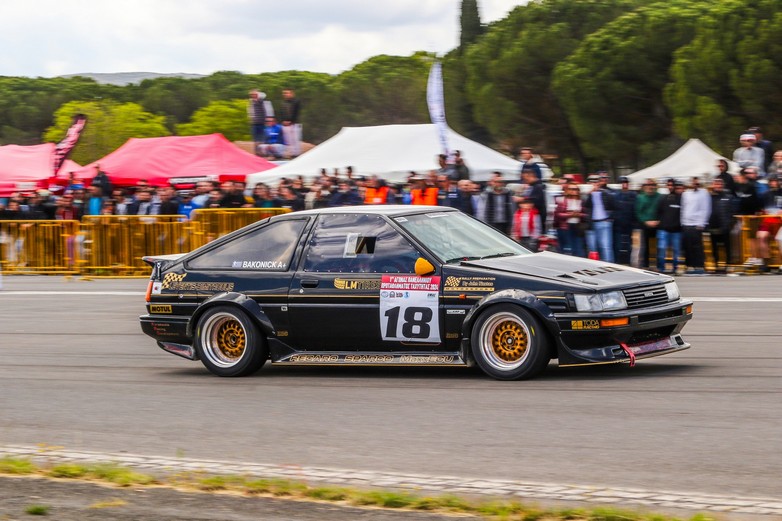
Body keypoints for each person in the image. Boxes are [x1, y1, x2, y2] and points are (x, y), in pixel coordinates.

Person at [680, 177, 711, 274]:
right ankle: (689, 266)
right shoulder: (685, 194)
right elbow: (683, 208)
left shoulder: (704, 193)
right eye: (693, 182)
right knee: (687, 247)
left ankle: (699, 266)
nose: (695, 184)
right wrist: (682, 222)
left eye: (696, 182)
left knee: (697, 247)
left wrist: (702, 222)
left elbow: (706, 208)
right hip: (686, 223)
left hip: (697, 224)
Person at [707, 177, 737, 272]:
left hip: (725, 226)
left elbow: (733, 211)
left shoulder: (728, 197)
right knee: (714, 247)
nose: (718, 186)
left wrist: (730, 223)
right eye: (716, 184)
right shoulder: (709, 197)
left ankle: (728, 264)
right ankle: (716, 265)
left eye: (720, 184)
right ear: (713, 185)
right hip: (713, 226)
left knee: (727, 246)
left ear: (723, 185)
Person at [583, 174, 615, 262]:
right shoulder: (587, 194)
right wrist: (590, 193)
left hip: (604, 222)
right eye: (592, 182)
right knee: (592, 248)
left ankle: (609, 265)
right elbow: (585, 205)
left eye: (596, 181)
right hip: (591, 224)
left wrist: (610, 219)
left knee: (606, 247)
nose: (594, 184)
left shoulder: (606, 193)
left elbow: (614, 206)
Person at [656, 180, 684, 274]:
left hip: (676, 230)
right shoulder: (663, 198)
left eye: (672, 185)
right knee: (662, 249)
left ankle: (675, 268)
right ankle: (661, 268)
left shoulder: (681, 199)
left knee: (676, 251)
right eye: (669, 185)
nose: (670, 187)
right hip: (664, 229)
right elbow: (658, 212)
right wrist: (660, 223)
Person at [553, 181, 586, 257]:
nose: (574, 191)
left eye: (576, 189)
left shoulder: (581, 201)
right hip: (566, 227)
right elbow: (557, 214)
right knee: (568, 250)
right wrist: (569, 215)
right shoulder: (562, 201)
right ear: (567, 190)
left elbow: (586, 214)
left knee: (579, 249)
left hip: (578, 227)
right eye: (571, 189)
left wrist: (579, 215)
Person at [635, 179, 661, 269]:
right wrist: (645, 221)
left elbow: (663, 210)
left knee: (658, 246)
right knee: (645, 246)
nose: (650, 187)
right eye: (648, 185)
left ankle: (657, 266)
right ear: (645, 186)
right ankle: (645, 265)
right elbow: (638, 212)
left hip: (657, 225)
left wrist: (658, 221)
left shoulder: (659, 197)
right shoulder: (641, 197)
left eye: (652, 185)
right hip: (645, 225)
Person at [612, 176, 637, 265]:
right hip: (618, 224)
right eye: (623, 183)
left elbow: (635, 209)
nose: (624, 185)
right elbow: (613, 209)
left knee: (629, 245)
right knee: (618, 245)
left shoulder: (633, 195)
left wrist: (634, 222)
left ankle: (629, 262)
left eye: (626, 183)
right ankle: (617, 262)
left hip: (629, 224)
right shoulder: (615, 195)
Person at [520, 165, 547, 234]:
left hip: (537, 220)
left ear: (531, 176)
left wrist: (522, 199)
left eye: (526, 178)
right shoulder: (532, 186)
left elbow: (537, 202)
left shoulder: (538, 187)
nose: (525, 181)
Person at [279, 88, 302, 158]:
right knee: (288, 141)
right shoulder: (283, 103)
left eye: (287, 93)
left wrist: (291, 121)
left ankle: (297, 155)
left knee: (295, 140)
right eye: (284, 93)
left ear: (291, 93)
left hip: (295, 123)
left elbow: (296, 113)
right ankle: (291, 154)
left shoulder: (296, 102)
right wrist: (283, 121)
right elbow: (281, 113)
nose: (285, 94)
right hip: (286, 124)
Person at [247, 89, 267, 154]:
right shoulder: (250, 102)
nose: (253, 95)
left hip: (261, 122)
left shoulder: (260, 101)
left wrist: (258, 94)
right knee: (255, 139)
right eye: (252, 94)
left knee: (261, 138)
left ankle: (262, 152)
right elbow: (250, 112)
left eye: (255, 94)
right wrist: (250, 119)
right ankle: (256, 152)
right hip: (254, 123)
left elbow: (264, 95)